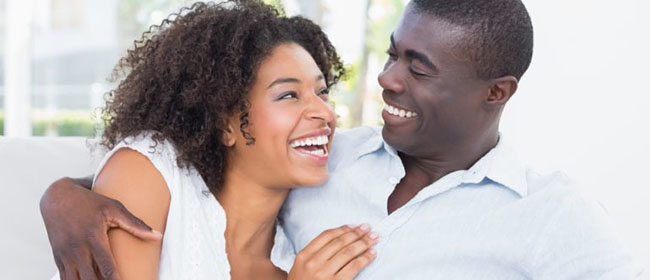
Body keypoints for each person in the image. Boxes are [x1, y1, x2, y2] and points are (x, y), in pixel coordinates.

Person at [41, 0, 644, 279]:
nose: (386, 79)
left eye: (419, 67)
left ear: (497, 92)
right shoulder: (331, 157)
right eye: (391, 55)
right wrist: (63, 194)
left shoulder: (550, 214)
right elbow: (187, 168)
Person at [45, 1, 382, 279]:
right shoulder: (151, 172)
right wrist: (58, 193)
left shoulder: (298, 263)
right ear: (224, 123)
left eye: (322, 92)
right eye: (289, 95)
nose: (324, 113)